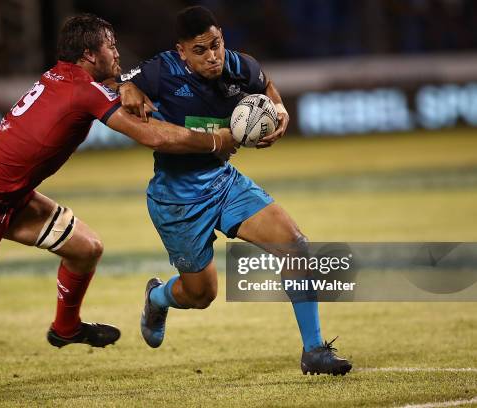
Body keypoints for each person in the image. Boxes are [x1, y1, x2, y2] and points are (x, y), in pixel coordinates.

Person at [0, 13, 237, 391]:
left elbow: (109, 84)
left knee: (86, 249)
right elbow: (152, 137)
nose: (117, 52)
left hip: (7, 198)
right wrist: (216, 141)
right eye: (111, 46)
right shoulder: (85, 91)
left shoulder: (63, 75)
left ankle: (65, 328)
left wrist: (123, 83)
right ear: (90, 54)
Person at [118, 6, 352, 375]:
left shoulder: (241, 67)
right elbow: (120, 81)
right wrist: (126, 88)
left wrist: (280, 112)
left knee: (295, 245)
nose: (212, 56)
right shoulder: (161, 71)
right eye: (200, 50)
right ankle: (157, 297)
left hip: (224, 182)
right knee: (201, 295)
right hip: (176, 198)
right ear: (182, 51)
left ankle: (314, 351)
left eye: (216, 44)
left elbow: (268, 88)